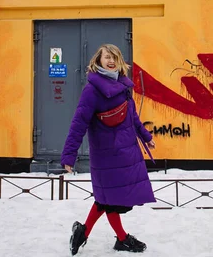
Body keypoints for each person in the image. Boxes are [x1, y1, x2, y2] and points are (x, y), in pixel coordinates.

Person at [61, 44, 156, 255]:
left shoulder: (123, 86)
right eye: (107, 57)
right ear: (98, 60)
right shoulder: (92, 91)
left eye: (114, 57)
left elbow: (133, 118)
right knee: (108, 199)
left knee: (109, 199)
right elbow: (78, 124)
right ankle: (118, 238)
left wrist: (146, 137)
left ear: (120, 61)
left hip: (126, 154)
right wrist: (69, 155)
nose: (111, 60)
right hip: (105, 155)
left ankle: (86, 233)